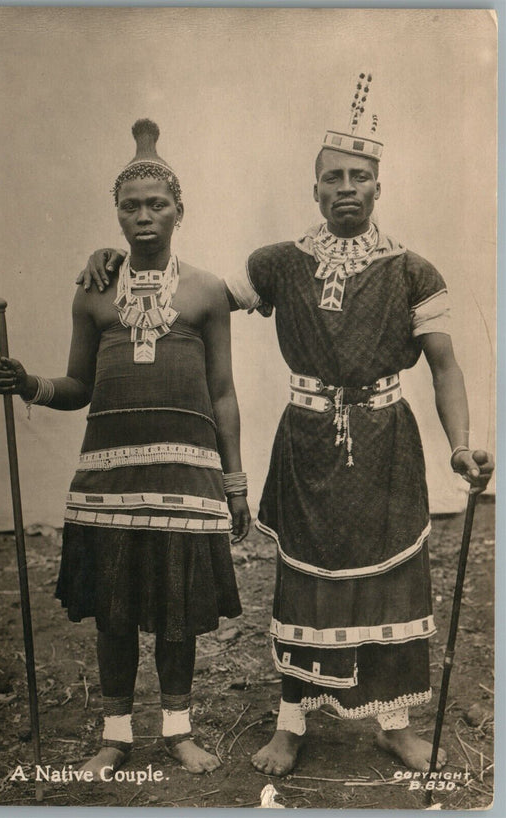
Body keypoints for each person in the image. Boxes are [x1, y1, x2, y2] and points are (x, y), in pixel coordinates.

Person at [76, 84, 494, 776]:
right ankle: (291, 725)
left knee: (393, 581)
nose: (346, 187)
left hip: (387, 441)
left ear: (378, 187)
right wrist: (123, 257)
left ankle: (394, 725)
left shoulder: (412, 271)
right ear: (314, 188)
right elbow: (198, 295)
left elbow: (444, 367)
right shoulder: (278, 264)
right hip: (304, 446)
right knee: (303, 584)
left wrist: (458, 446)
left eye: (358, 177)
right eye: (332, 177)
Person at [0, 119, 250, 777]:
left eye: (155, 204)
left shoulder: (207, 291)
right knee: (113, 612)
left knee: (177, 611)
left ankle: (176, 731)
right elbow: (76, 385)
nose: (142, 216)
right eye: (129, 206)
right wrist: (30, 384)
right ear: (116, 213)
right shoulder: (93, 290)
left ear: (179, 210)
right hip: (108, 476)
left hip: (186, 474)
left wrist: (236, 480)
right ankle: (115, 736)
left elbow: (222, 392)